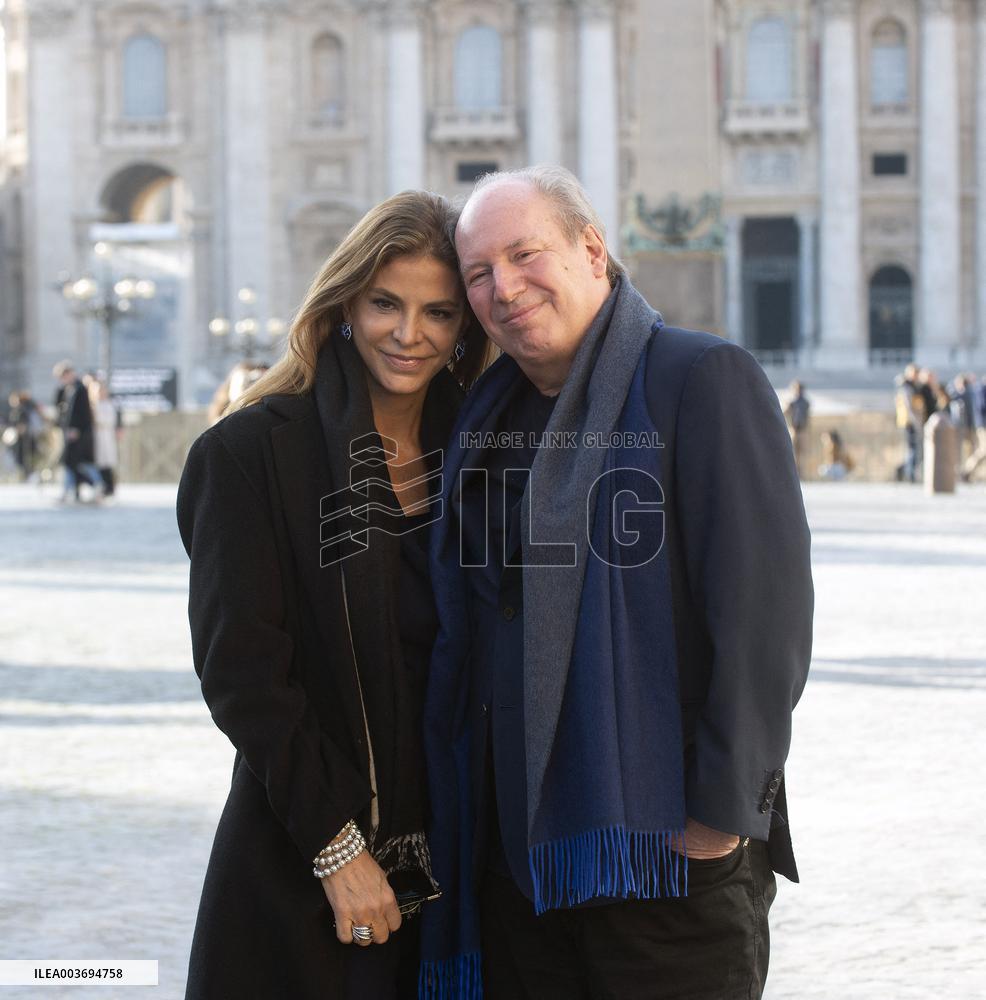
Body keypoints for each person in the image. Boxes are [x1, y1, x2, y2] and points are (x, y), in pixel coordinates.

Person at [419, 166, 813, 1000]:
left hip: (664, 863)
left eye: (525, 255)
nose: (503, 288)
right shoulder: (486, 420)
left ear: (593, 250)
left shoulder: (700, 379)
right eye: (480, 274)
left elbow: (762, 622)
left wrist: (718, 821)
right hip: (518, 872)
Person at [176, 190, 488, 1000]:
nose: (409, 333)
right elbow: (244, 676)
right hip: (305, 864)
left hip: (467, 872)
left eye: (440, 312)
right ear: (345, 300)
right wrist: (338, 849)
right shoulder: (249, 455)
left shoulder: (487, 460)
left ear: (466, 329)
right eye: (387, 302)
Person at [52, 360, 104, 502]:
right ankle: (70, 491)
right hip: (71, 433)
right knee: (70, 462)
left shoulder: (80, 389)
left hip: (80, 433)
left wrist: (76, 429)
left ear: (69, 374)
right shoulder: (69, 390)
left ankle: (97, 485)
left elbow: (83, 413)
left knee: (81, 462)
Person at [88, 379, 120, 497]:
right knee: (99, 462)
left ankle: (110, 487)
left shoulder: (109, 404)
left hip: (107, 434)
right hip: (98, 436)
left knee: (108, 462)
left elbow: (110, 420)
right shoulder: (94, 405)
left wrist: (99, 422)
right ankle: (103, 485)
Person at [895, 363, 923, 482]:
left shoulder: (913, 386)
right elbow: (909, 407)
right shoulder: (906, 387)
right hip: (909, 422)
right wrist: (917, 423)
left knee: (914, 449)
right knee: (913, 449)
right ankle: (909, 474)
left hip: (911, 421)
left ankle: (906, 470)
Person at [783, 379, 811, 478]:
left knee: (801, 452)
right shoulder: (793, 402)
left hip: (802, 430)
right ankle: (794, 473)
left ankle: (801, 473)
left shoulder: (805, 402)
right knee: (793, 452)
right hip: (794, 429)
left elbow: (807, 416)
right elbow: (785, 412)